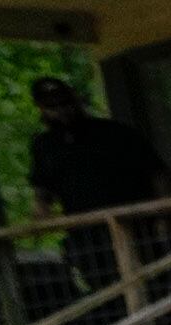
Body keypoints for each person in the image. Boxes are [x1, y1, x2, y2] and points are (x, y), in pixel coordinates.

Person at [23, 78, 163, 221]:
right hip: (83, 231)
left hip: (135, 222)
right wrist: (41, 212)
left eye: (65, 103)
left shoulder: (116, 133)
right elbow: (42, 189)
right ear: (41, 108)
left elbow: (156, 173)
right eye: (51, 106)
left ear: (75, 99)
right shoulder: (44, 145)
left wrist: (164, 216)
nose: (61, 110)